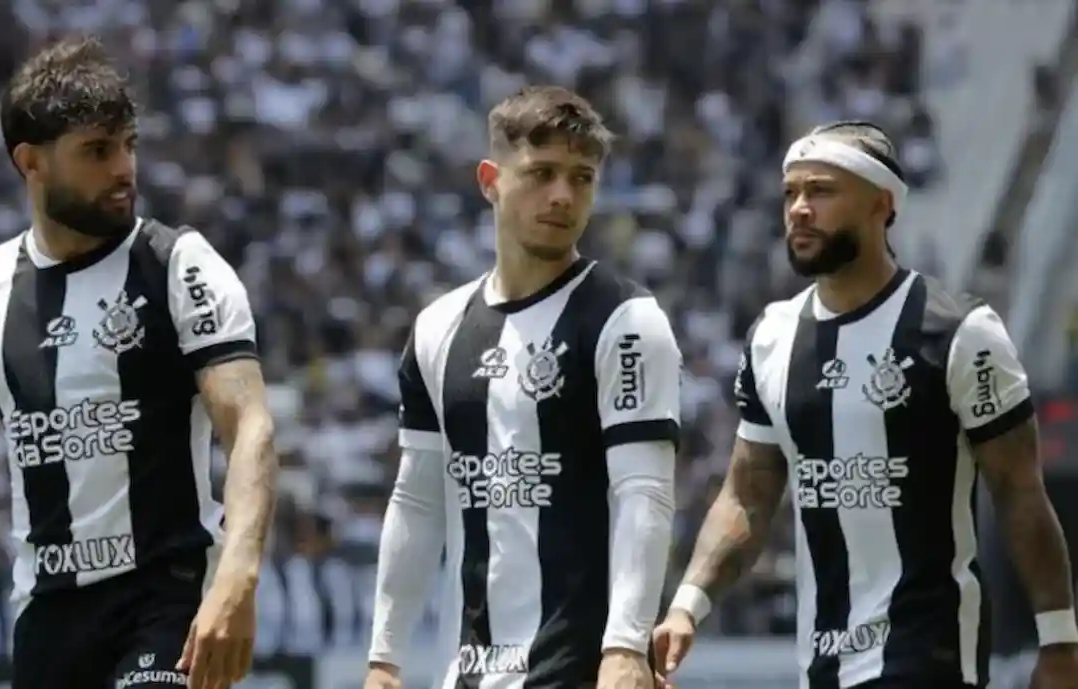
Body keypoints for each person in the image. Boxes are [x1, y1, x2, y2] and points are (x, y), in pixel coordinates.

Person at [0, 37, 279, 689]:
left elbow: (248, 425)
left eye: (129, 144)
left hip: (166, 599)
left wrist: (239, 575)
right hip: (48, 617)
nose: (124, 168)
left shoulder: (178, 264)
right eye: (98, 151)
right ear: (32, 163)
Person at [653, 121, 1078, 689]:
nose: (799, 209)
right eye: (791, 193)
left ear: (882, 205)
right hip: (822, 666)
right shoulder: (773, 338)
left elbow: (1020, 493)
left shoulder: (960, 333)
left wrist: (1059, 641)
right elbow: (747, 497)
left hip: (931, 659)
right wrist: (687, 604)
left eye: (822, 191)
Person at [364, 85, 680, 689]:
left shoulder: (627, 320)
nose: (562, 195)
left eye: (581, 178)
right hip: (468, 672)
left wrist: (625, 647)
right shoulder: (438, 328)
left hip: (580, 668)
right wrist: (384, 658)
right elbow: (417, 500)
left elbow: (645, 493)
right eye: (541, 173)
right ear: (490, 179)